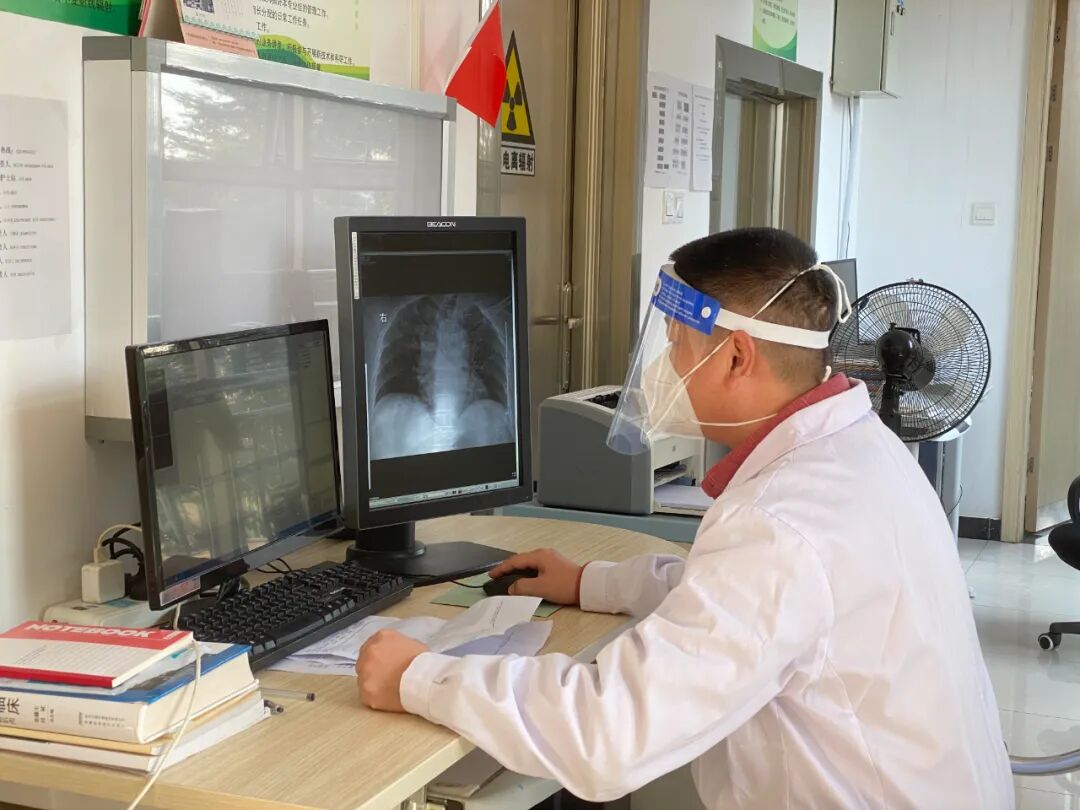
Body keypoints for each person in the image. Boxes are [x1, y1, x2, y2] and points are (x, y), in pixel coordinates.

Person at [356, 228, 1014, 808]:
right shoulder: (859, 452)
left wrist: (420, 677)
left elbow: (610, 734)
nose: (662, 369)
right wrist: (591, 582)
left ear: (736, 357)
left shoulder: (780, 521)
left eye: (674, 345)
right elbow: (747, 601)